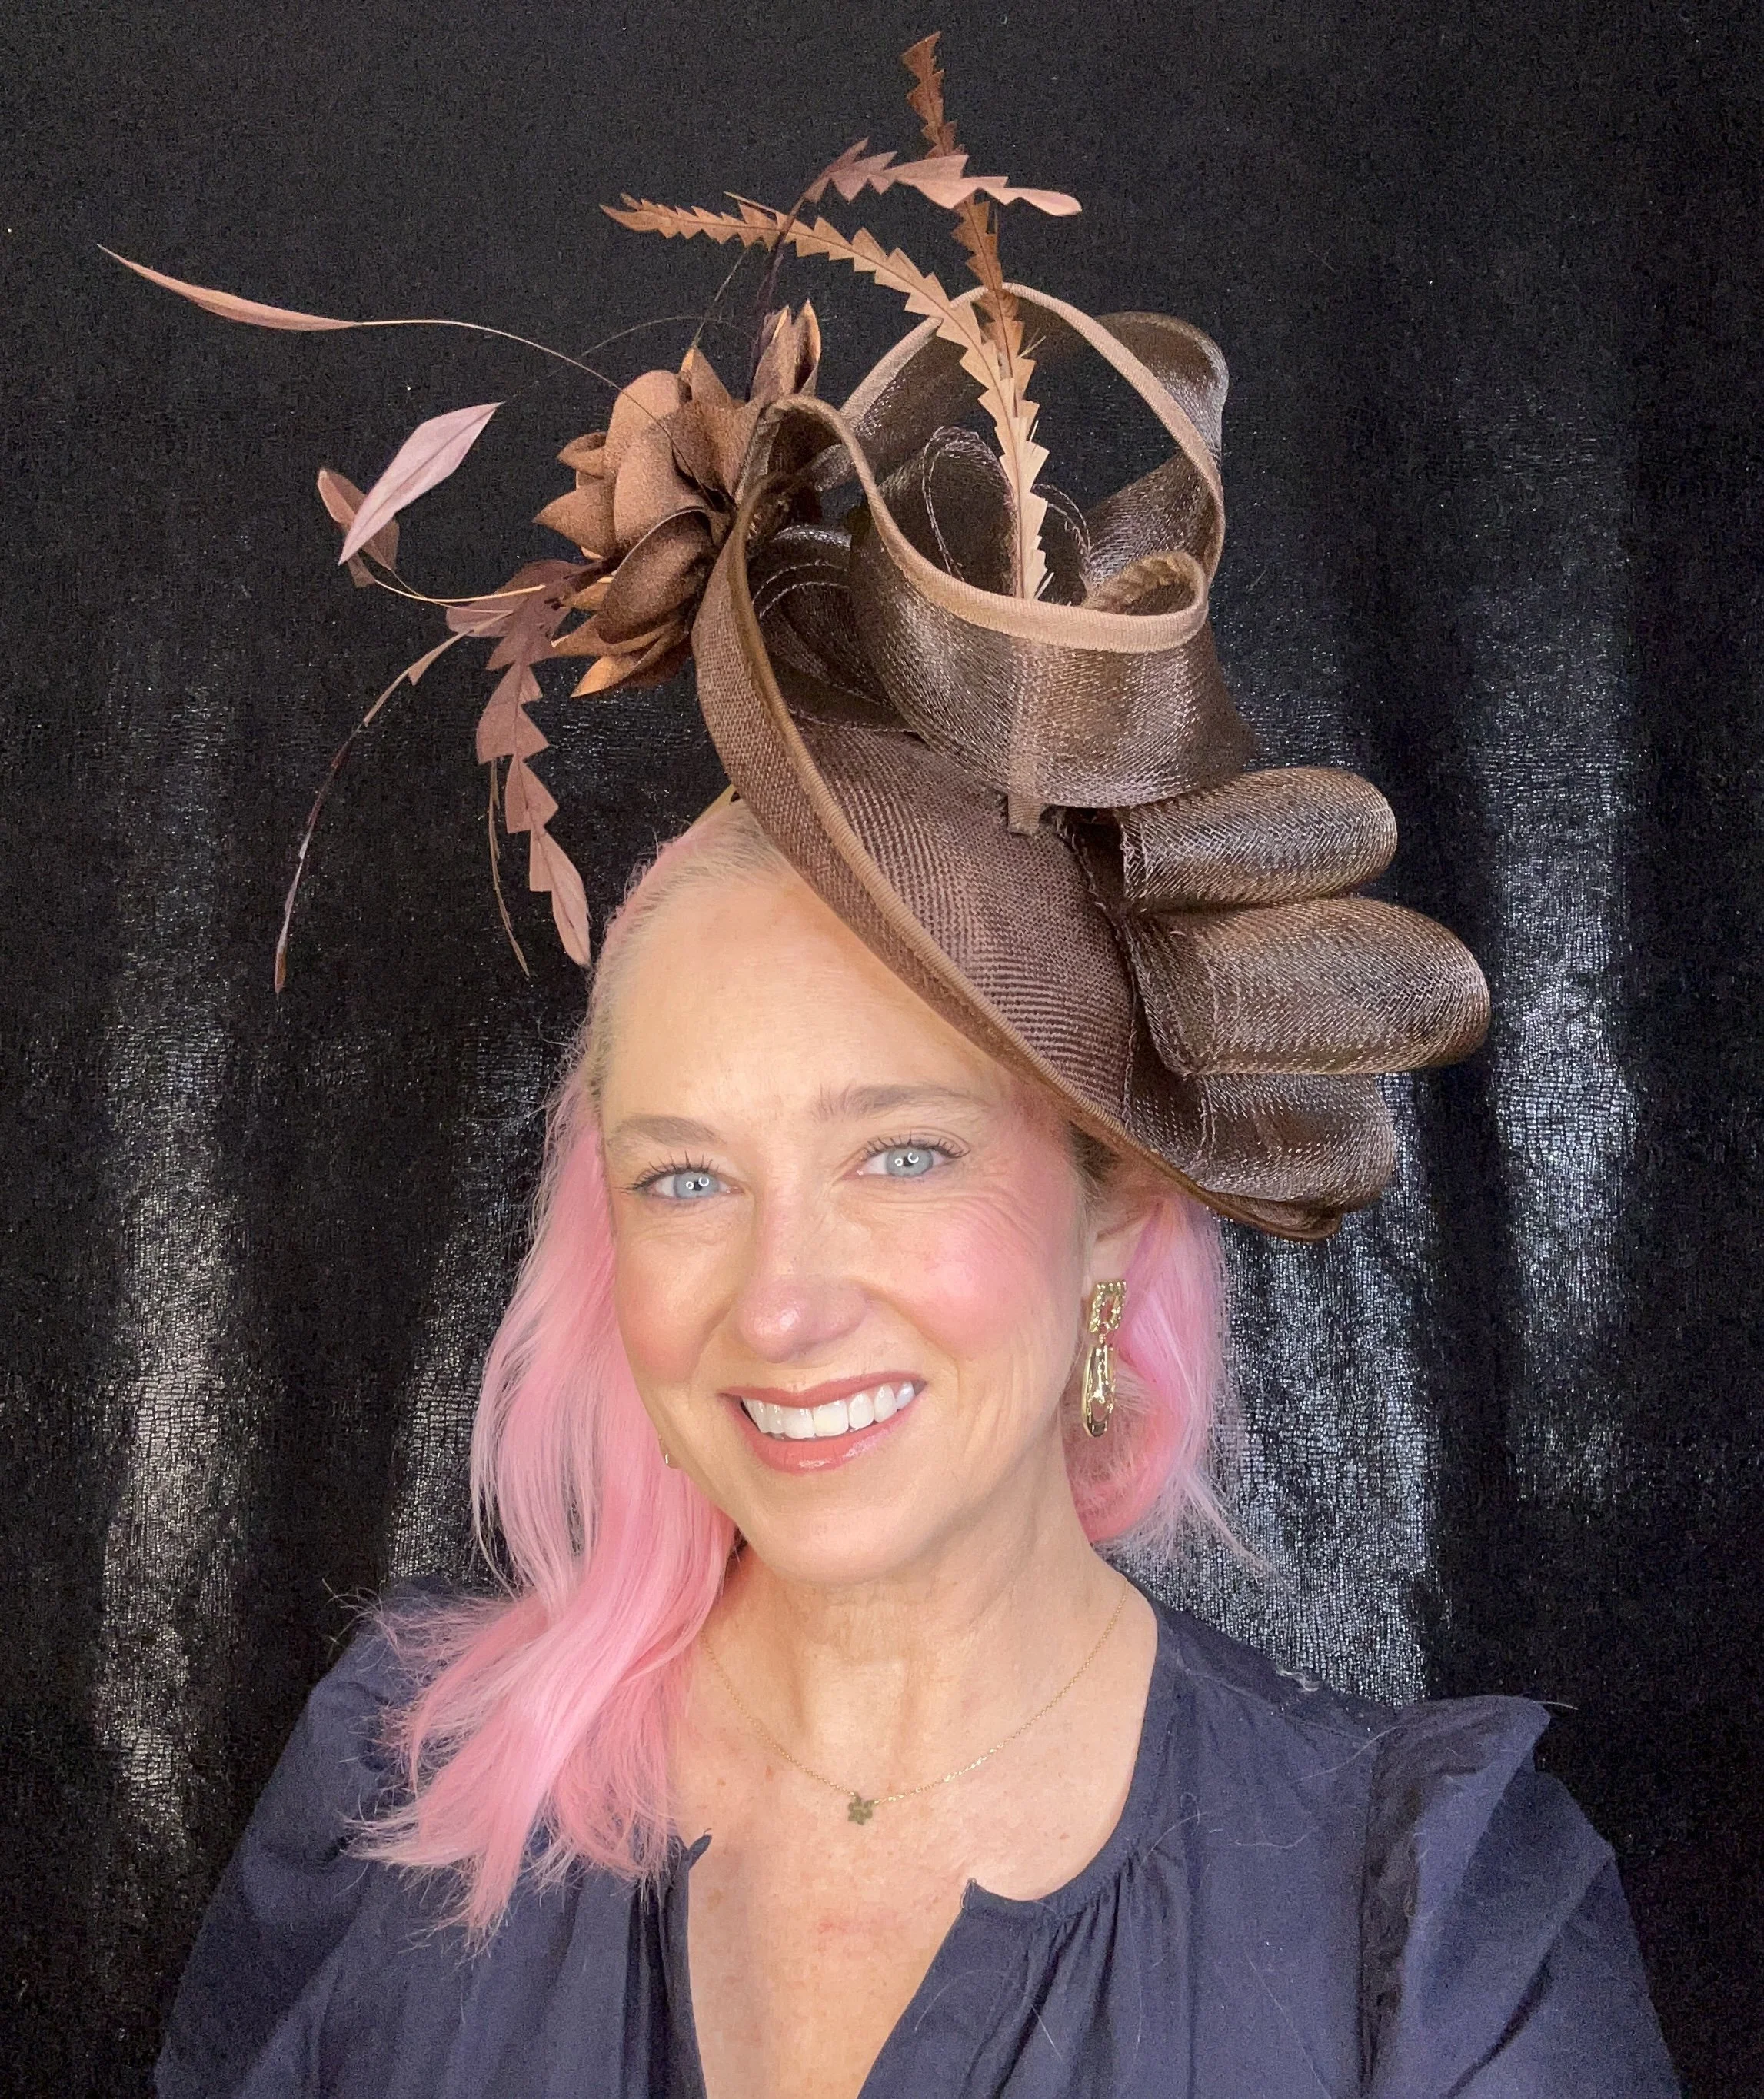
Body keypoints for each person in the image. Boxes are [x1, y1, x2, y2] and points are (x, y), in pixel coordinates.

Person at [144, 40, 1679, 2098]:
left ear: (1111, 1211)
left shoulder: (1426, 1927)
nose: (777, 1304)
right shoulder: (394, 1808)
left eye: (898, 1156)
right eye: (684, 1175)